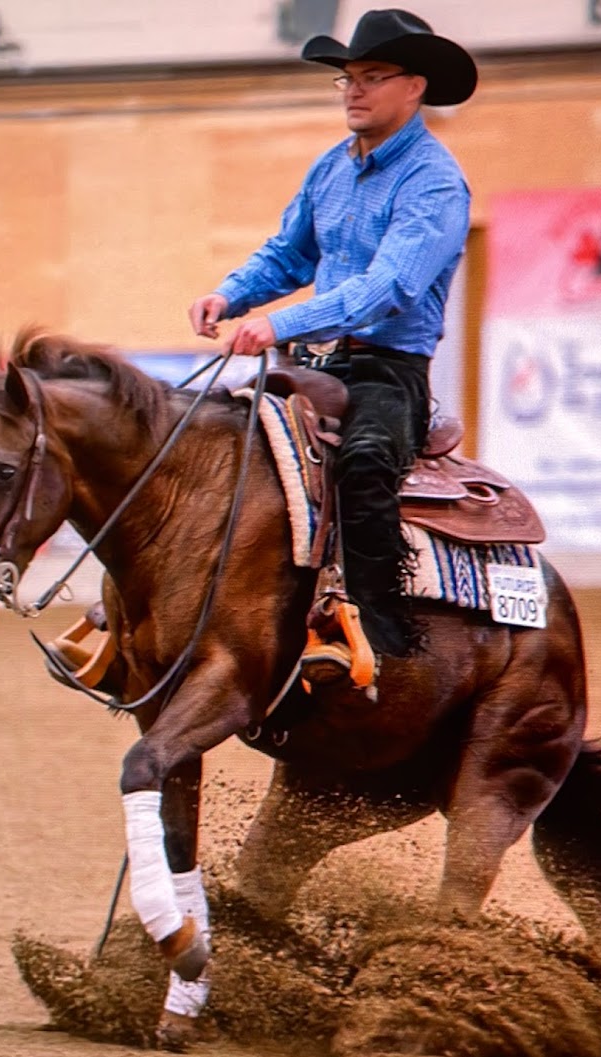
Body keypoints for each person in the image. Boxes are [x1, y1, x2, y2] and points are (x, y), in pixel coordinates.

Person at [189, 8, 476, 673]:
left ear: (415, 86)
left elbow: (388, 288)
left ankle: (382, 638)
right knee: (218, 446)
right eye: (348, 77)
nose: (354, 89)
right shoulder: (331, 169)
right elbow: (288, 253)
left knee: (367, 462)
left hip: (387, 370)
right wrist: (231, 294)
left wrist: (279, 323)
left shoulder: (433, 183)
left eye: (372, 76)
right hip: (311, 365)